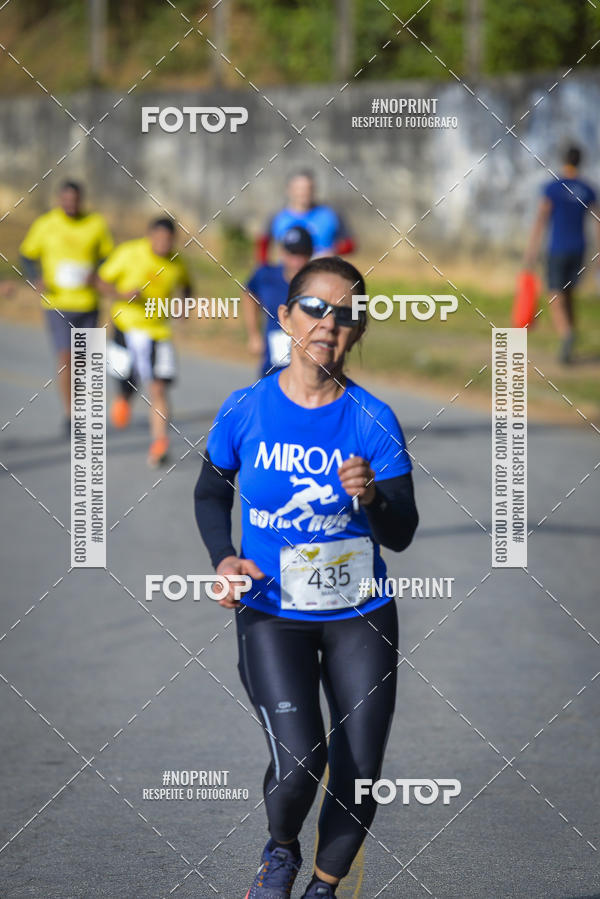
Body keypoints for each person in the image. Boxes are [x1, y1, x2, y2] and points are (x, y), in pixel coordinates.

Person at [194, 257, 418, 898]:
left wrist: (373, 498)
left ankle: (323, 886)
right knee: (300, 762)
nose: (328, 323)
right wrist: (222, 557)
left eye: (345, 315)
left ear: (358, 332)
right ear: (285, 316)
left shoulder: (373, 420)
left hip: (360, 614)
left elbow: (400, 532)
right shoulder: (246, 409)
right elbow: (211, 495)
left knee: (361, 768)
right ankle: (282, 852)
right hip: (271, 610)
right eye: (315, 308)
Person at [19, 180, 114, 435]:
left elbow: (108, 257)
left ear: (80, 200)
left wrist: (97, 273)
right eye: (66, 200)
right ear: (59, 200)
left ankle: (82, 409)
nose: (70, 204)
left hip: (88, 303)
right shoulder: (46, 224)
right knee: (66, 358)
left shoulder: (95, 224)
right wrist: (35, 277)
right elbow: (27, 255)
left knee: (84, 362)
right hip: (57, 303)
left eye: (75, 200)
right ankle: (71, 415)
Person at [97, 217, 192, 467]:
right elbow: (101, 281)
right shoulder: (128, 253)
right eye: (159, 238)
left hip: (159, 332)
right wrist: (122, 294)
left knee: (159, 387)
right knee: (127, 381)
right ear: (150, 235)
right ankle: (123, 399)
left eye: (168, 240)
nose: (163, 244)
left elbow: (187, 286)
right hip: (126, 327)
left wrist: (183, 305)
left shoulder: (176, 262)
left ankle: (159, 443)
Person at [524, 145, 600, 364]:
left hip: (557, 248)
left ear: (564, 160)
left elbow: (541, 220)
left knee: (555, 295)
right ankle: (571, 336)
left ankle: (567, 335)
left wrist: (531, 251)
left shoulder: (553, 188)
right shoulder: (588, 189)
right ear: (580, 161)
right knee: (568, 294)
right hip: (580, 249)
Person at [243, 226, 313, 376]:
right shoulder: (266, 275)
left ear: (311, 255)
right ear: (282, 253)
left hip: (308, 370)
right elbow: (249, 295)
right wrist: (254, 334)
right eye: (292, 253)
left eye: (302, 254)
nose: (296, 261)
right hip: (271, 368)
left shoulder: (319, 283)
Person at [257, 171, 355, 264]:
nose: (304, 193)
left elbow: (349, 244)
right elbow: (263, 244)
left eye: (308, 188)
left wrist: (332, 252)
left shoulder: (330, 214)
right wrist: (265, 267)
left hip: (322, 271)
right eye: (299, 189)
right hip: (289, 276)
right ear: (289, 190)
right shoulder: (277, 217)